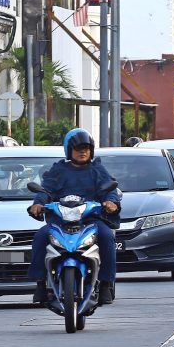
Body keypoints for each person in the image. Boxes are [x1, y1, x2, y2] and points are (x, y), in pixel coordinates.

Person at [27, 129, 122, 305]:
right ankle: (40, 284)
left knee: (108, 236)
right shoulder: (58, 170)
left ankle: (106, 284)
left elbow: (110, 191)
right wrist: (38, 204)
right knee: (40, 236)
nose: (82, 151)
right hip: (60, 222)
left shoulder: (98, 169)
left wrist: (111, 203)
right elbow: (45, 190)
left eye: (86, 148)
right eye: (78, 148)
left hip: (91, 220)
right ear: (68, 150)